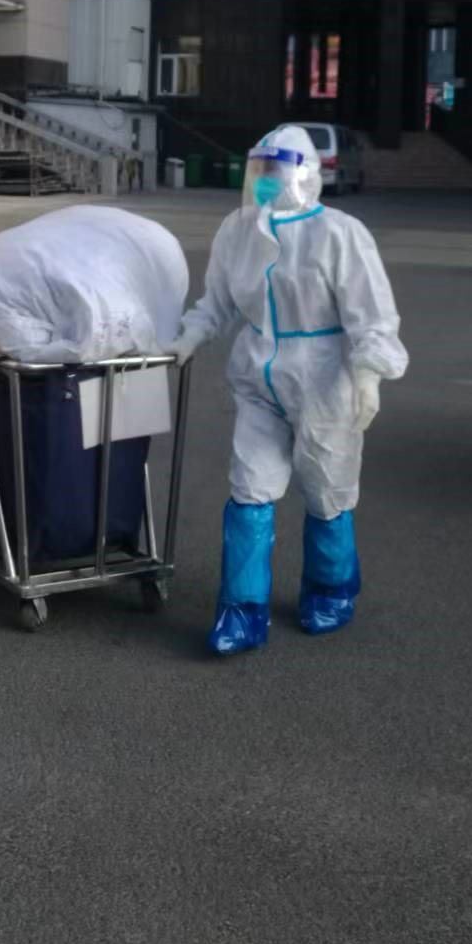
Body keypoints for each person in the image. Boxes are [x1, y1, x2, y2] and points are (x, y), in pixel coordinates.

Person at [173, 124, 407, 656]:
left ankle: (330, 591)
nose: (264, 180)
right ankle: (241, 611)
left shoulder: (340, 233)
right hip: (259, 374)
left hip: (324, 376)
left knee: (327, 489)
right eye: (258, 169)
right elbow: (218, 301)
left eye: (274, 170)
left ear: (304, 174)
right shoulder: (237, 230)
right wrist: (189, 335)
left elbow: (371, 312)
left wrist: (369, 371)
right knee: (249, 487)